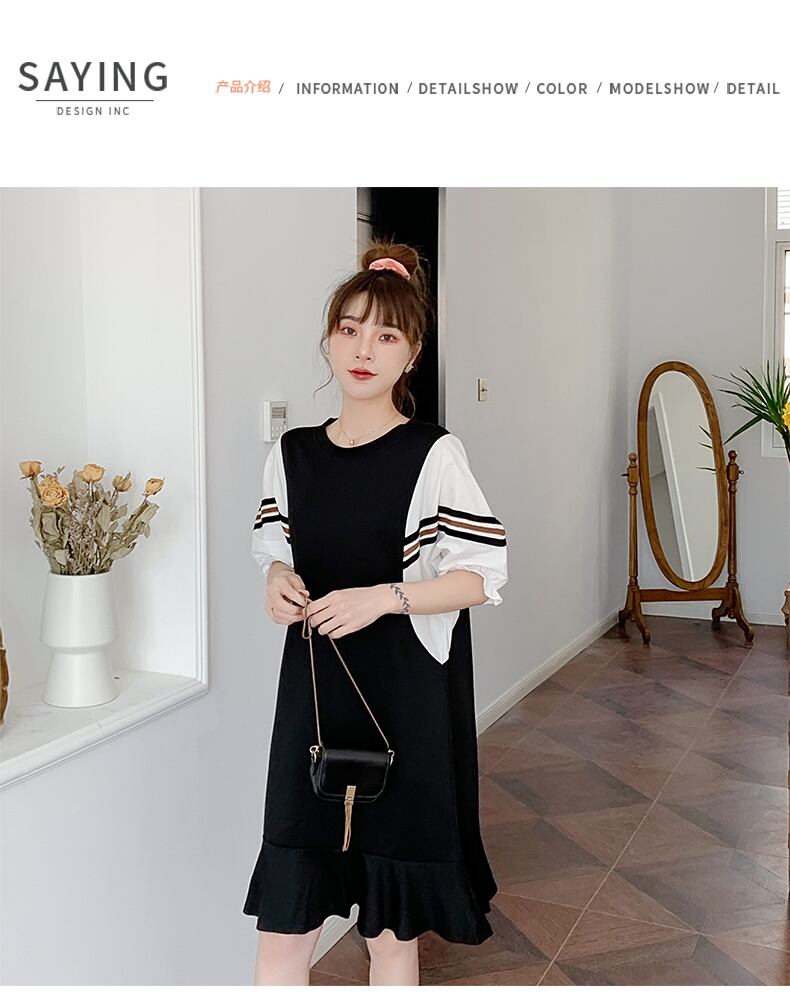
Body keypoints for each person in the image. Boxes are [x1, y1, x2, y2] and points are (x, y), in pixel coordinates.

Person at [243, 241, 508, 985]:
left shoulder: (433, 453)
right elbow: (273, 545)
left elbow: (481, 576)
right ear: (329, 339)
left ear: (412, 353)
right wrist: (276, 577)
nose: (364, 350)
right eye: (350, 329)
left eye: (386, 335)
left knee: (390, 934)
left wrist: (382, 598)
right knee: (286, 927)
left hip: (404, 700)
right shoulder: (292, 453)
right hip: (315, 701)